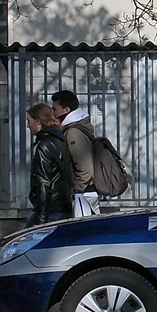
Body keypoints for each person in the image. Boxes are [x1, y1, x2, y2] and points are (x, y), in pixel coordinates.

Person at [51, 89, 101, 217]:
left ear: (66, 110)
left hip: (83, 194)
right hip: (84, 193)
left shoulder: (73, 132)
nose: (52, 113)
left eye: (55, 109)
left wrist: (74, 190)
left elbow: (85, 169)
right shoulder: (72, 129)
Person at [25, 103, 73, 227]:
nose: (27, 125)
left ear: (39, 122)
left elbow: (43, 183)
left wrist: (40, 221)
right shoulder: (58, 140)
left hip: (50, 210)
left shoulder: (45, 145)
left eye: (29, 120)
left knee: (26, 244)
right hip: (61, 208)